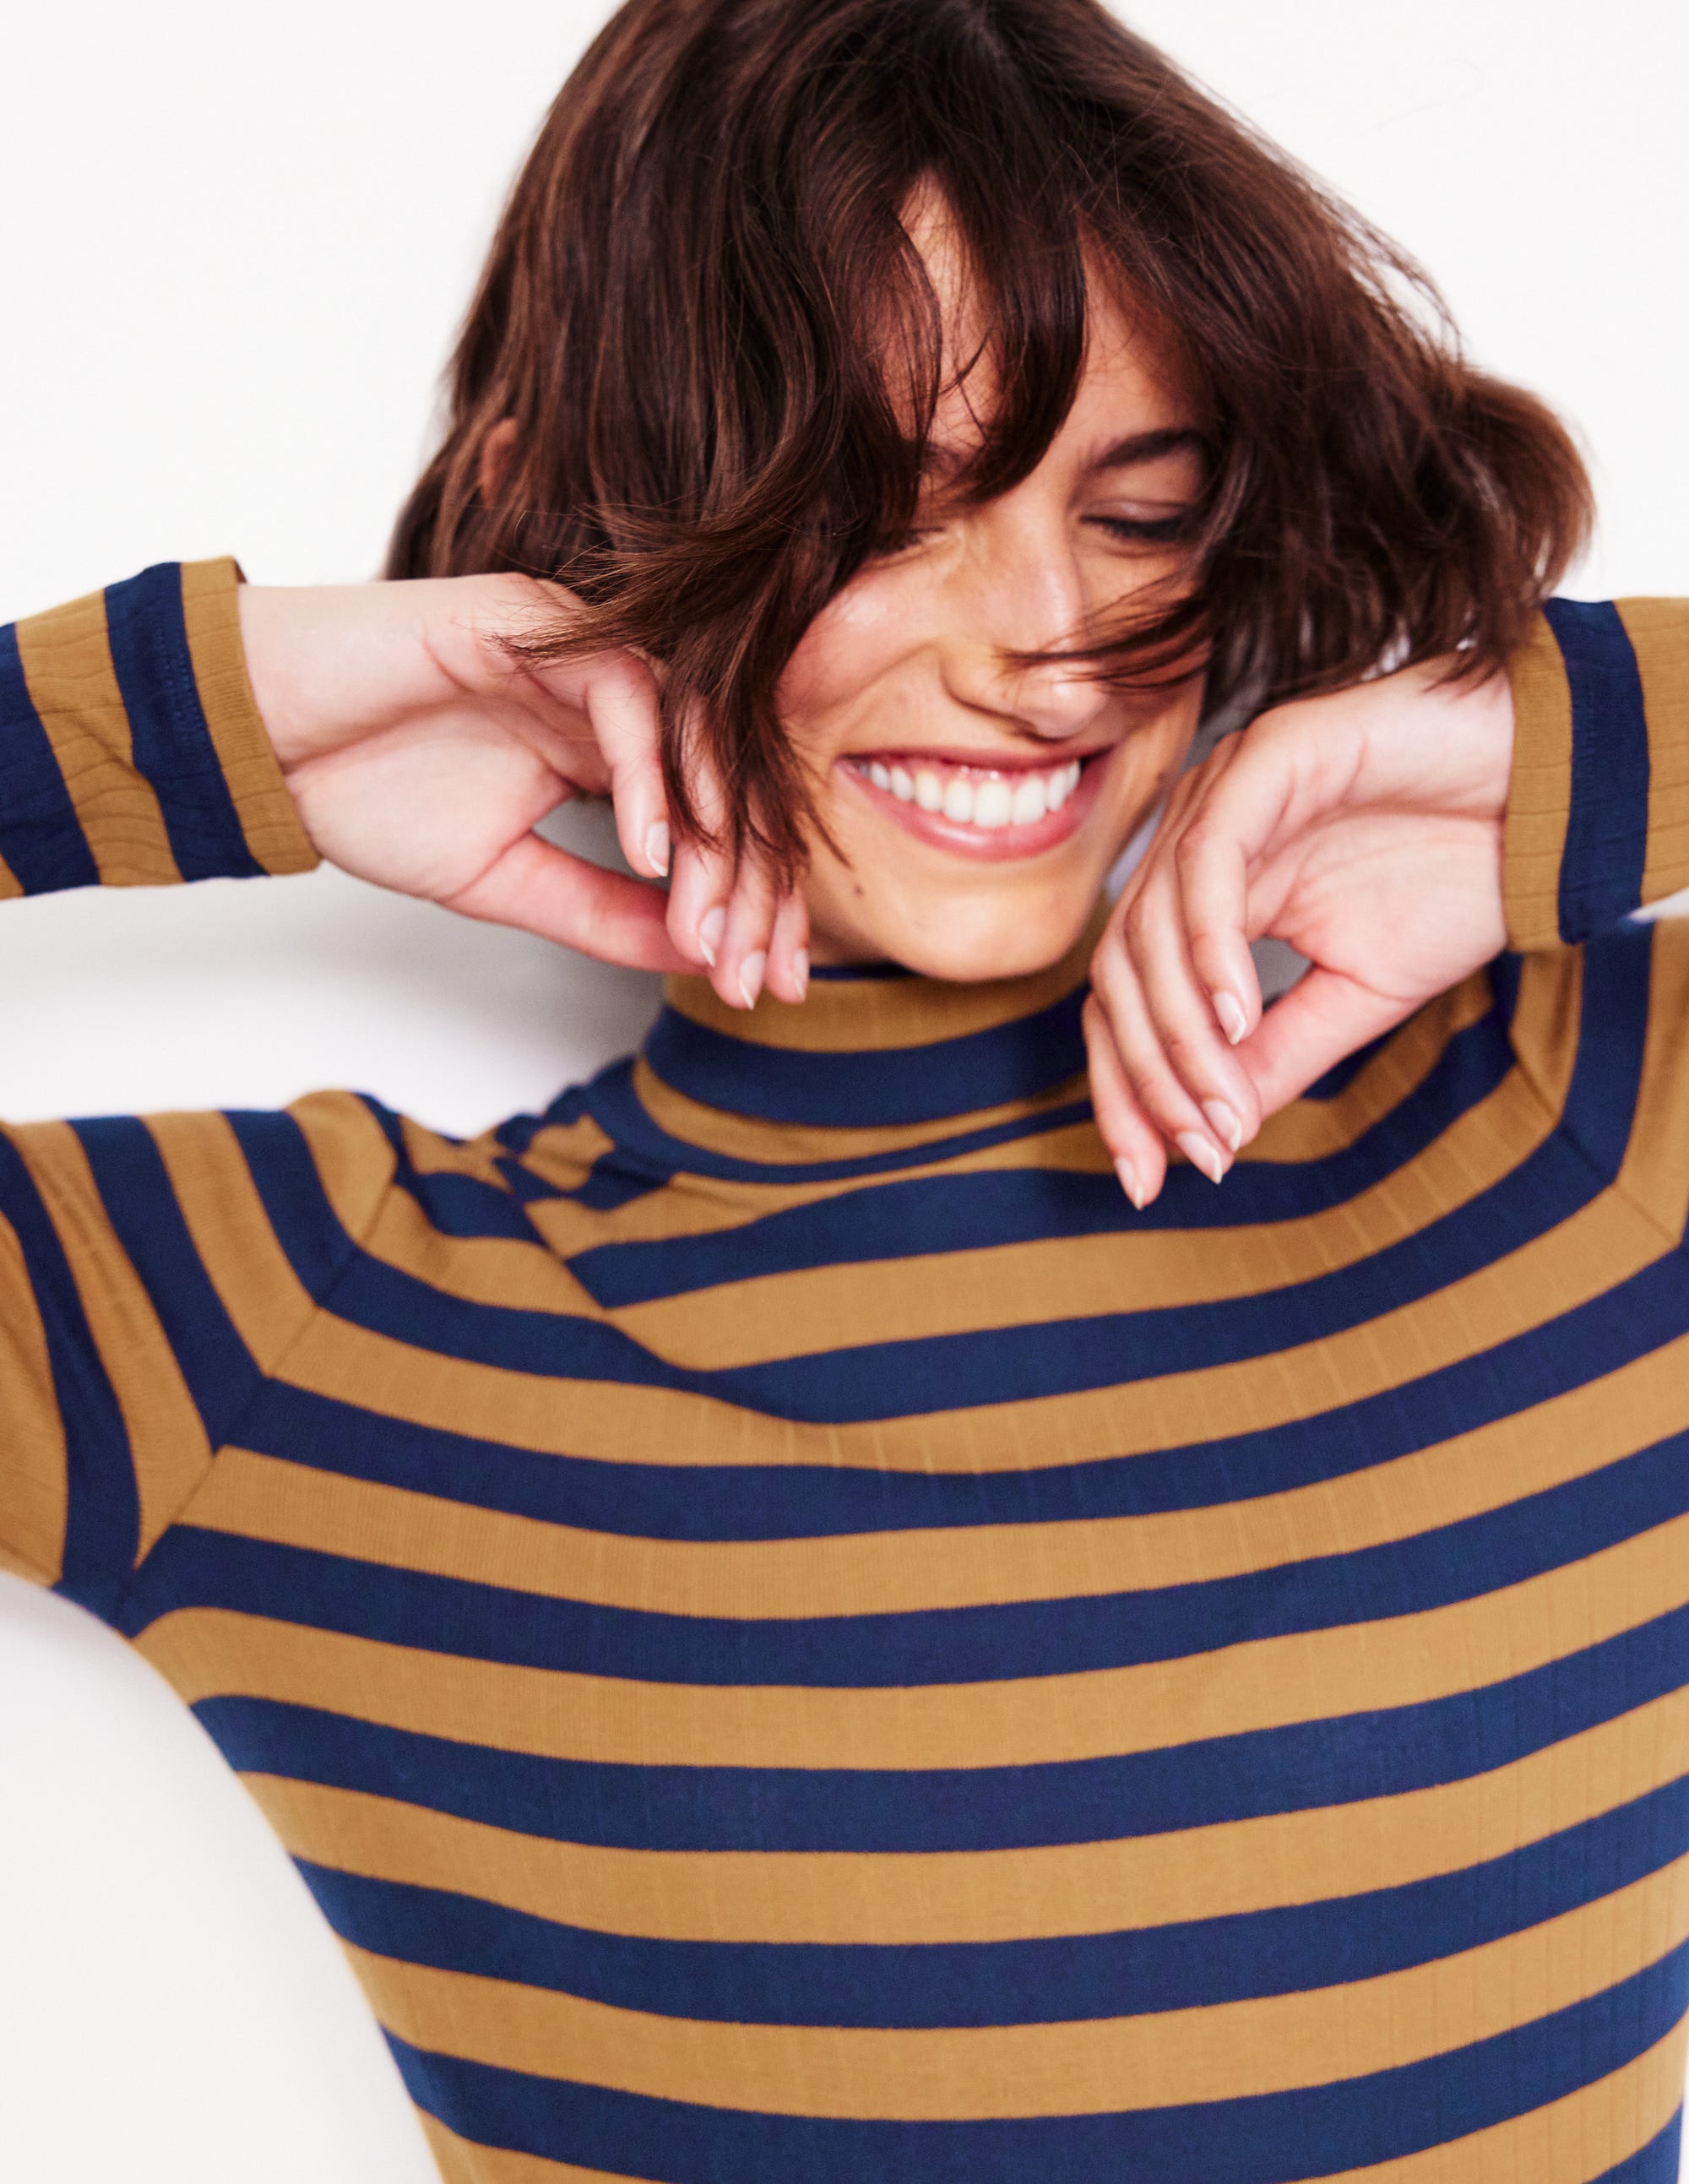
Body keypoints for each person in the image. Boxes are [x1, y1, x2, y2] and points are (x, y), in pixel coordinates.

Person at [3, 0, 1687, 2177]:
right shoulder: (282, 1327)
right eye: (879, 517)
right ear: (558, 519)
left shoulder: (1586, 1113)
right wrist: (194, 722)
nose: (1043, 645)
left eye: (1145, 509)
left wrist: (1580, 741)